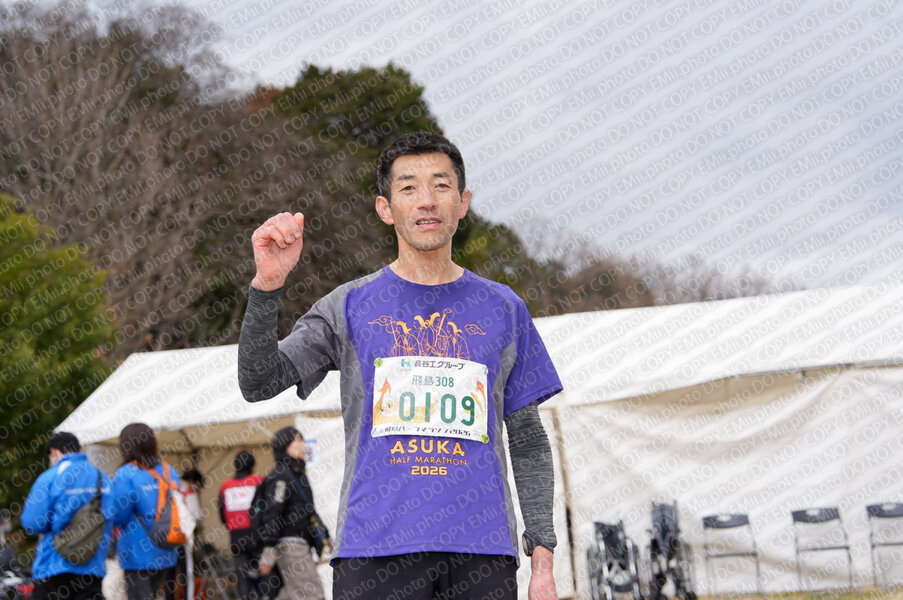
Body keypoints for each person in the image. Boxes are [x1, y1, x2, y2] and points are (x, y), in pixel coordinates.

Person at [238, 131, 562, 600]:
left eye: (441, 185)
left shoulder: (504, 308)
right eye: (408, 187)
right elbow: (258, 381)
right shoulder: (348, 306)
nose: (426, 200)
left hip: (483, 552)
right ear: (385, 208)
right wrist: (267, 286)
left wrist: (543, 558)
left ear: (463, 203)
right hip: (373, 552)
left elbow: (528, 441)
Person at [21, 431, 113, 600]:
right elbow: (115, 516)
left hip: (53, 566)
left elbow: (32, 523)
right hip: (92, 568)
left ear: (54, 451)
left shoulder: (50, 477)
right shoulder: (103, 478)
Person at [254, 427, 327, 600]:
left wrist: (324, 535)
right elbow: (273, 512)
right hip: (290, 546)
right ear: (285, 445)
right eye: (298, 440)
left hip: (300, 544)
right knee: (313, 594)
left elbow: (308, 509)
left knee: (292, 593)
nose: (303, 445)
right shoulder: (280, 476)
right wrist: (269, 550)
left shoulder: (297, 474)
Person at [110, 423, 181, 600]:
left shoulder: (126, 473)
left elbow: (119, 515)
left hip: (136, 553)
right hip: (167, 547)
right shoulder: (168, 471)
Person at [218, 451, 264, 600]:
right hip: (257, 536)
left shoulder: (225, 487)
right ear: (252, 466)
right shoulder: (259, 481)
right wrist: (253, 513)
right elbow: (262, 508)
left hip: (236, 538)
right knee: (265, 573)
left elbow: (222, 516)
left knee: (242, 577)